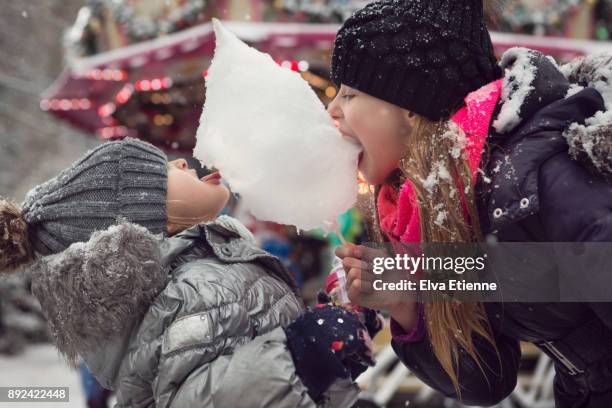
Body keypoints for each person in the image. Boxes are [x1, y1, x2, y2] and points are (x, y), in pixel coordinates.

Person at [328, 0, 612, 406]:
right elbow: (487, 379)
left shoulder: (541, 179)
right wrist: (408, 305)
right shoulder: (450, 201)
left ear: (411, 109)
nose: (332, 110)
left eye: (351, 94)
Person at [0, 137, 377, 407]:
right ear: (142, 218)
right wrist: (305, 350)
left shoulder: (203, 269)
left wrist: (338, 339)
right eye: (162, 172)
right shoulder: (185, 291)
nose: (180, 163)